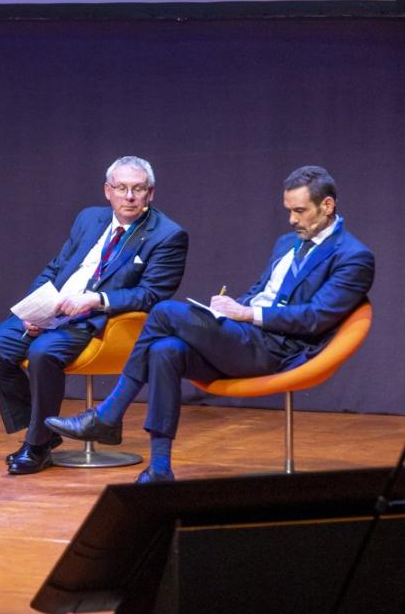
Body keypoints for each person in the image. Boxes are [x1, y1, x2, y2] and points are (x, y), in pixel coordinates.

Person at [47, 165, 374, 483]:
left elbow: (316, 318)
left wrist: (245, 314)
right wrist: (232, 307)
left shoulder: (353, 256)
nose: (292, 220)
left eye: (300, 211)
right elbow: (261, 292)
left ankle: (108, 414)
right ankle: (160, 469)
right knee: (165, 350)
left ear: (327, 205)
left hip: (279, 349)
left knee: (163, 312)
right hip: (246, 337)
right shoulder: (286, 244)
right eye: (289, 210)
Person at [0, 156, 188, 475]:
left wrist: (96, 299)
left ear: (150, 193)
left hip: (97, 320)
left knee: (43, 352)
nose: (129, 196)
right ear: (107, 190)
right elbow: (55, 267)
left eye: (138, 189)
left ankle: (37, 444)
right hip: (53, 309)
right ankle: (46, 432)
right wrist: (36, 306)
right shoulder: (89, 219)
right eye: (122, 188)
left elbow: (152, 294)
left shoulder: (168, 235)